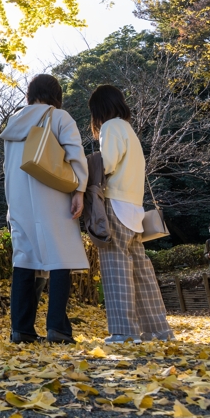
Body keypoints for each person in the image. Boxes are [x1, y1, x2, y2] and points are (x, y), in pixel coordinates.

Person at [1, 74, 88, 345]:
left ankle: (22, 329)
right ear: (56, 94)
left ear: (30, 94)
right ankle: (58, 328)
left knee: (24, 259)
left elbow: (6, 168)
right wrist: (80, 190)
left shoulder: (13, 123)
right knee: (61, 256)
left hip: (19, 198)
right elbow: (75, 155)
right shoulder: (59, 117)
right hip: (52, 195)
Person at [90, 85, 174, 344]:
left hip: (115, 206)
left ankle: (124, 332)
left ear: (99, 109)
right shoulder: (129, 130)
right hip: (134, 211)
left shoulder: (111, 127)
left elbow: (107, 164)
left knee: (116, 270)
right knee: (141, 273)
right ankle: (158, 331)